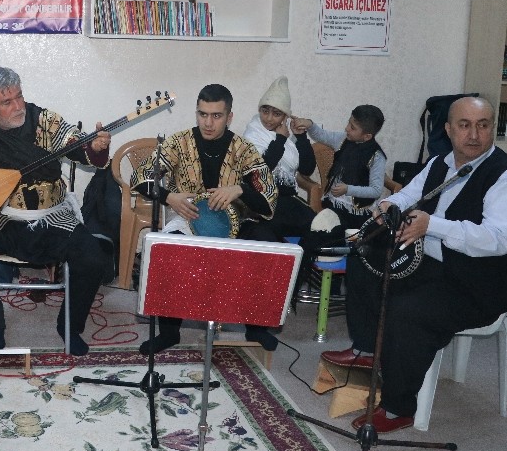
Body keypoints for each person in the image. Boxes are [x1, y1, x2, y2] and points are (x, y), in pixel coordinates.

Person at [321, 96, 507, 433]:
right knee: (364, 259)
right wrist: (388, 205)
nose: (474, 134)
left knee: (408, 311)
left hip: (480, 283)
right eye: (464, 125)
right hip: (435, 265)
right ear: (449, 130)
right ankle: (367, 350)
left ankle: (398, 407)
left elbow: (498, 240)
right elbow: (409, 195)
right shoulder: (442, 161)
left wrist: (431, 225)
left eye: (483, 125)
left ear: (491, 128)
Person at [0, 66, 113, 357]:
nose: (18, 106)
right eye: (7, 102)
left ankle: (69, 326)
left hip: (53, 218)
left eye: (19, 97)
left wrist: (95, 147)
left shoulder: (45, 121)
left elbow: (80, 149)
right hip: (0, 219)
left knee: (93, 257)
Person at [132, 84, 280, 355]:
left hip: (236, 223)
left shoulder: (244, 149)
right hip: (189, 220)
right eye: (202, 114)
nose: (208, 123)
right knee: (168, 251)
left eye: (216, 116)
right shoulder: (178, 143)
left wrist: (241, 189)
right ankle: (169, 333)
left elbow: (268, 197)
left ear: (229, 117)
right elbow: (140, 178)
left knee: (265, 243)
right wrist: (169, 197)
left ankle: (256, 328)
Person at [242, 76, 317, 239]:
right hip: (261, 201)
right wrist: (280, 140)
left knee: (319, 229)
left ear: (285, 116)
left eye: (276, 114)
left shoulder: (288, 136)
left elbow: (307, 169)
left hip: (288, 200)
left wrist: (301, 138)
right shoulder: (253, 134)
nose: (269, 118)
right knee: (269, 233)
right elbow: (261, 170)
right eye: (265, 111)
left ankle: (303, 264)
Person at [292, 104, 387, 231]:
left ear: (367, 136)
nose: (347, 128)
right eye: (349, 123)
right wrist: (309, 124)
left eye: (352, 128)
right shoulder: (343, 139)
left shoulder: (377, 157)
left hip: (358, 213)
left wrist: (348, 189)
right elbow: (321, 135)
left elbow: (376, 190)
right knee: (319, 231)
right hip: (333, 205)